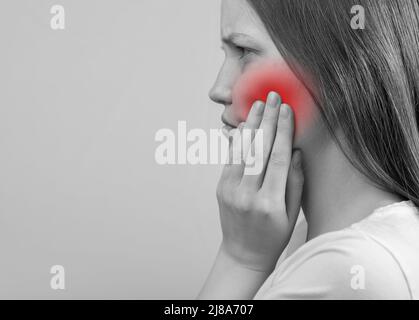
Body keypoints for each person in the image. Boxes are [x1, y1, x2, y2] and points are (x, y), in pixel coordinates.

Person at [197, 0, 419, 300]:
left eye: (244, 51)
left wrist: (240, 260)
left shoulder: (348, 267)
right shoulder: (320, 240)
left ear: (343, 70)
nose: (219, 89)